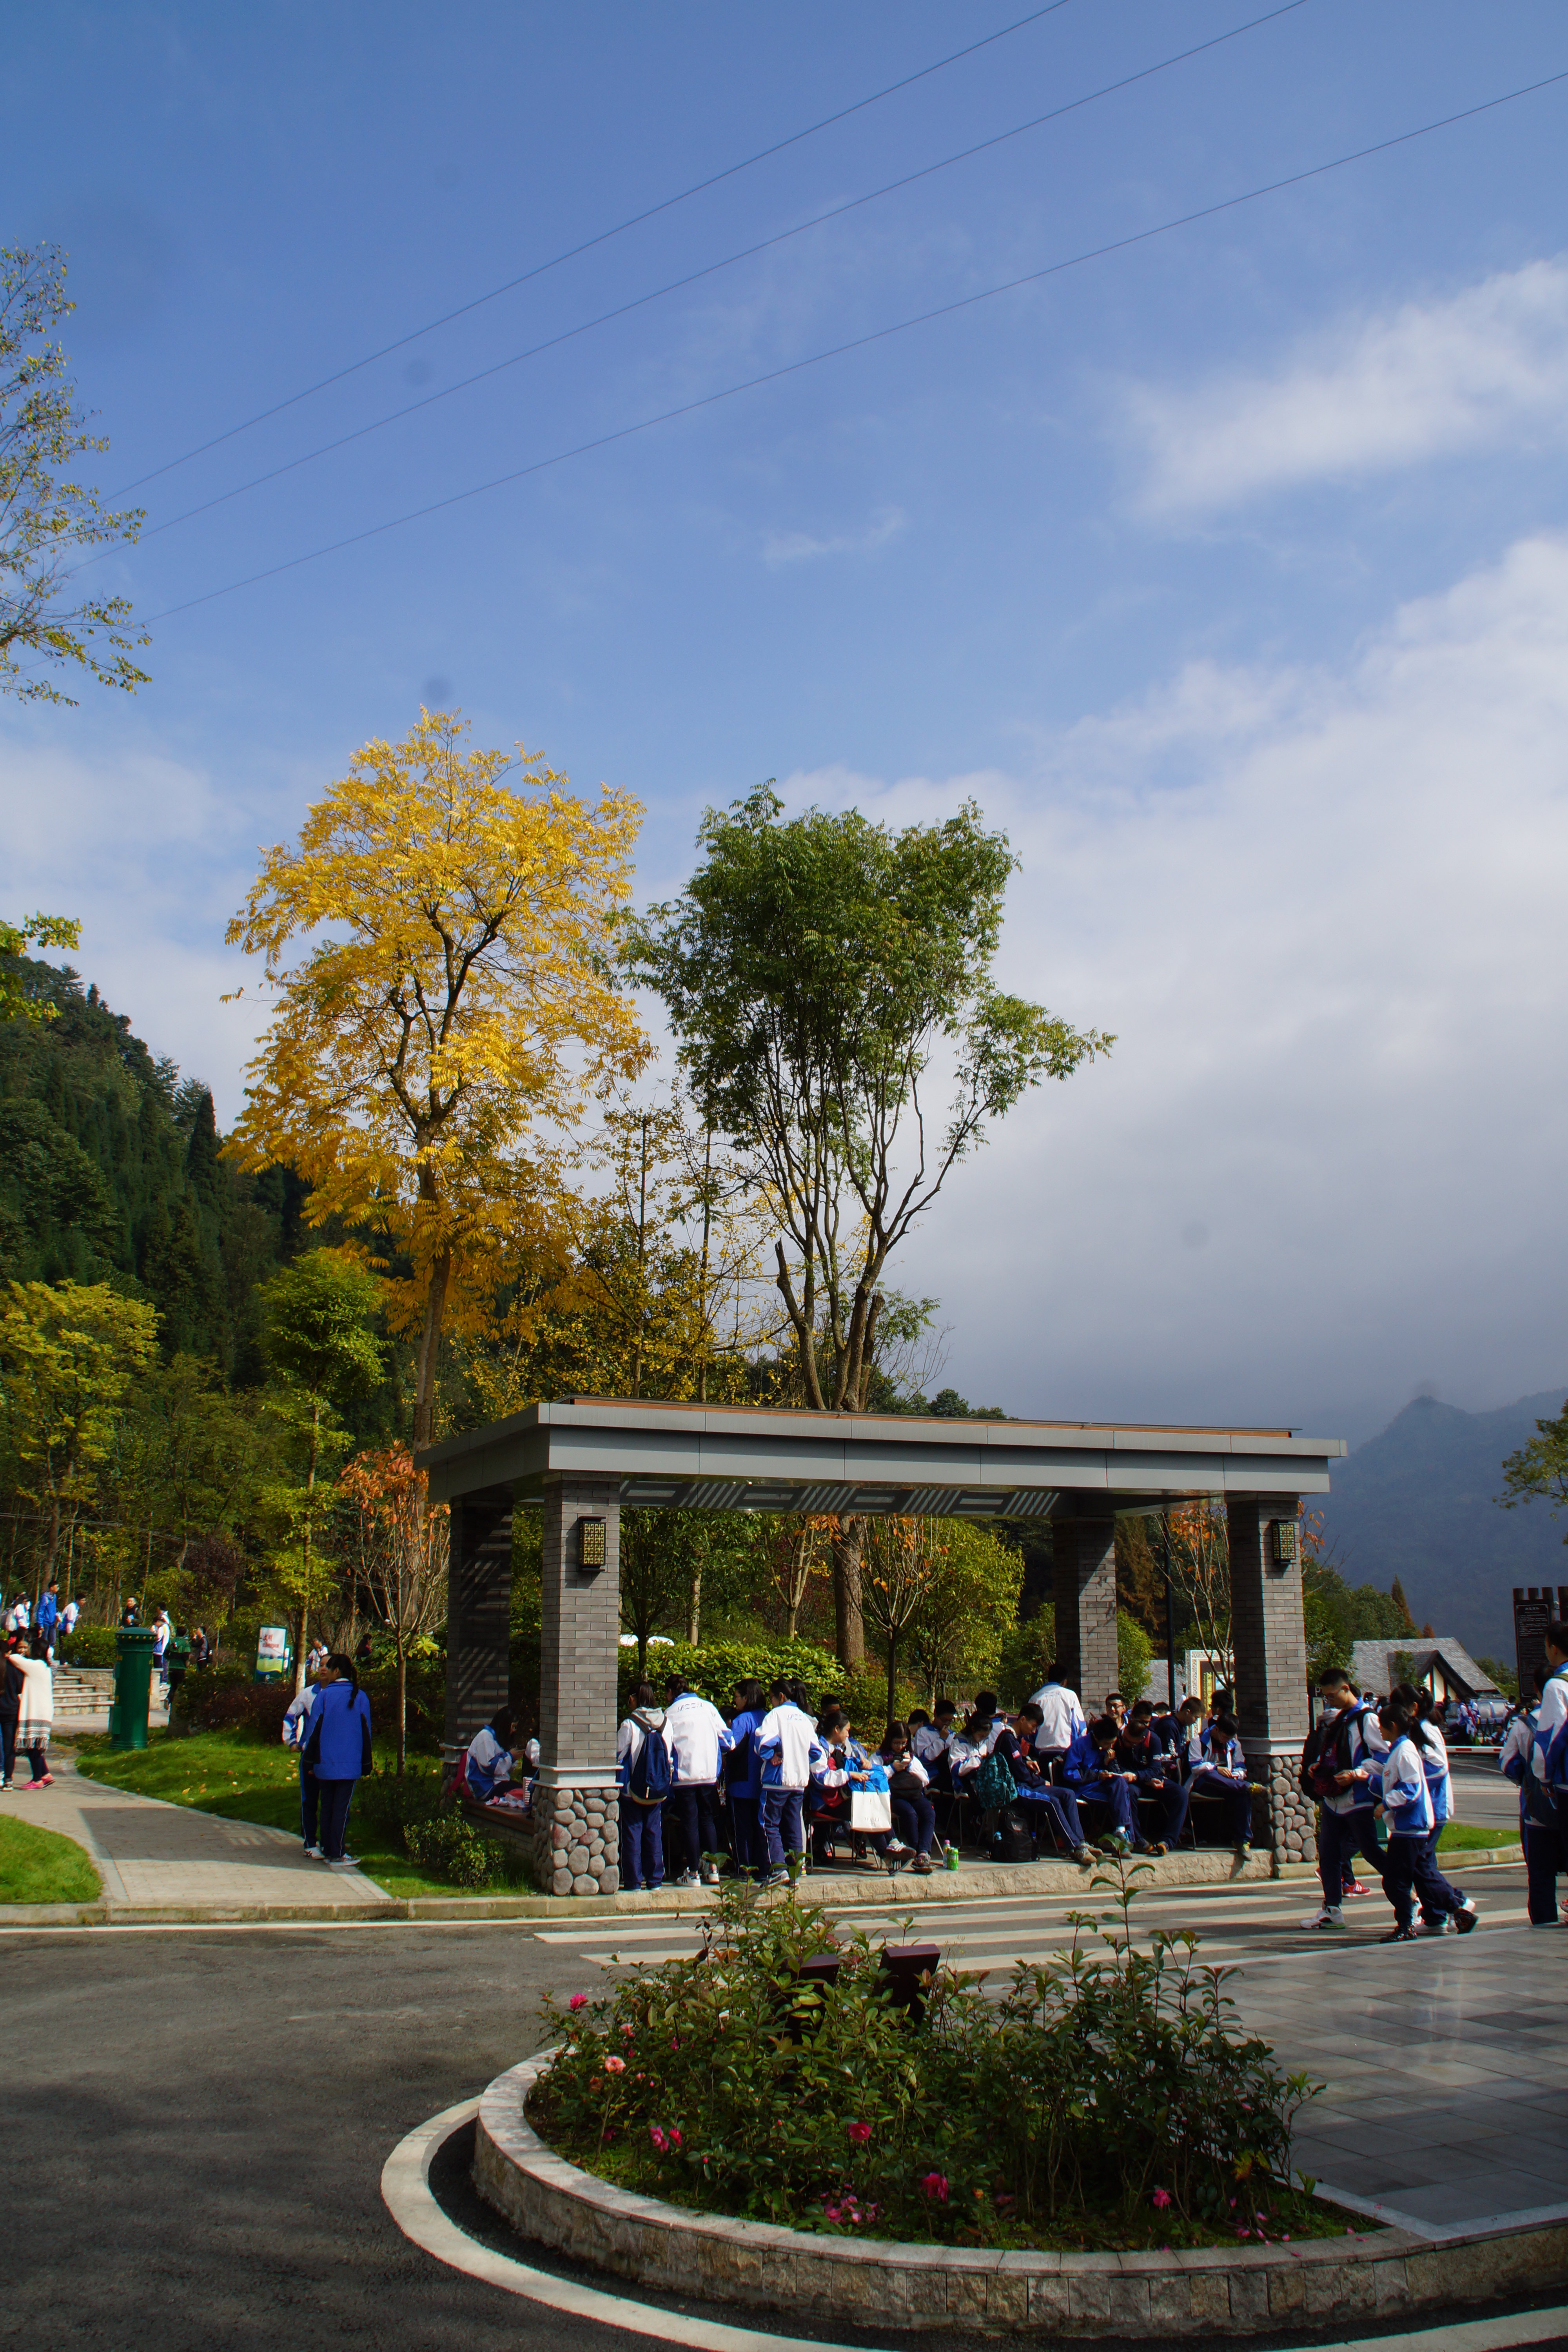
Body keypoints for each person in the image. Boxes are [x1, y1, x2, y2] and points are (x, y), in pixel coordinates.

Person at [1372, 1697, 1477, 1943]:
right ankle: (1458, 1911)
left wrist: (1385, 1805)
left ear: (1393, 1726)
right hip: (1410, 1828)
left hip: (1410, 1828)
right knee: (1423, 1876)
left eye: (1381, 1724)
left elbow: (1411, 1789)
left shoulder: (1405, 1751)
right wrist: (1365, 1778)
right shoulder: (1400, 1750)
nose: (1378, 1729)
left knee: (1395, 1882)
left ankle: (1406, 1925)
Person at [1300, 1667, 1390, 1932]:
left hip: (1358, 1799)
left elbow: (1384, 1758)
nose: (1329, 1701)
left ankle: (1408, 1890)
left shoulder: (1367, 1720)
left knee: (1372, 1851)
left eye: (1332, 1696)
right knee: (1328, 1855)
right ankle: (1332, 1909)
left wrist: (1357, 1774)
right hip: (1334, 1799)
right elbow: (1332, 1753)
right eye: (1326, 1697)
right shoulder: (1339, 1720)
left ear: (1346, 1689)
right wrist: (1318, 1766)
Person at [1502, 1670, 1564, 1929]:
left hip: (1536, 1813)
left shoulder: (1523, 1725)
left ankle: (1544, 1923)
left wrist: (1527, 1780)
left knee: (1540, 1875)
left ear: (1538, 1689)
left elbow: (1507, 1762)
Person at [298, 1653, 372, 1867]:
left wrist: (310, 1762)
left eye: (328, 1669)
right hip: (350, 1766)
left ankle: (329, 1849)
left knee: (327, 1806)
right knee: (341, 1808)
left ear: (336, 1672)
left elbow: (313, 1731)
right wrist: (366, 1764)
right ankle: (337, 1852)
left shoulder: (323, 1696)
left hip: (324, 1764)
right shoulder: (361, 1697)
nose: (326, 1673)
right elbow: (367, 1733)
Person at [1000, 1701, 1096, 1862]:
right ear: (1022, 1720)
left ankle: (1082, 1842)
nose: (1034, 1731)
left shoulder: (1015, 1739)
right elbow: (1020, 1773)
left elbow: (1017, 1762)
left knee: (1068, 1794)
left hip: (1028, 1784)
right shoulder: (1008, 1738)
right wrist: (1041, 1781)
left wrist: (1026, 1761)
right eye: (1033, 1726)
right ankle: (1075, 1848)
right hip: (1018, 1789)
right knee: (1052, 1802)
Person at [754, 1678, 827, 1887]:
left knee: (770, 1824)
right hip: (799, 1782)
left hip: (777, 1781)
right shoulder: (804, 1719)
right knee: (795, 1825)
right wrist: (798, 1758)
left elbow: (762, 1744)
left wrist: (774, 1755)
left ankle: (778, 1869)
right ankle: (796, 1871)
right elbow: (816, 1752)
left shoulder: (774, 1716)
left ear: (781, 1697)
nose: (771, 1702)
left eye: (772, 1698)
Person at [663, 1676, 734, 1889]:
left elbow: (666, 1747)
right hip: (708, 1775)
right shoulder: (708, 1707)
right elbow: (728, 1740)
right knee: (707, 1820)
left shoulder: (671, 1713)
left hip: (684, 1776)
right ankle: (713, 1870)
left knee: (690, 1823)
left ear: (671, 1692)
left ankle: (693, 1872)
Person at [1064, 1713, 1159, 1852]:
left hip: (1104, 1786)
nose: (1110, 1746)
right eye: (1106, 1744)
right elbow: (1069, 1773)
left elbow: (1116, 1771)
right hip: (1085, 1789)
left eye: (1113, 1743)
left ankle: (1121, 1831)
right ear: (1096, 1738)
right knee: (1122, 1798)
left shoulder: (1110, 1747)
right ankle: (1129, 1838)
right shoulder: (1080, 1746)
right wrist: (1096, 1776)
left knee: (1121, 1783)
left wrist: (1108, 1763)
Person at [617, 1683, 672, 1891]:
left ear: (634, 1698)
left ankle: (633, 1881)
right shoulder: (667, 1723)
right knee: (654, 1832)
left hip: (633, 1789)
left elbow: (618, 1753)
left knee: (632, 1832)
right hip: (658, 1788)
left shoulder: (629, 1724)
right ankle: (655, 1880)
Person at [1119, 1698, 1191, 1850]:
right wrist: (1142, 1780)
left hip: (1150, 1780)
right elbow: (1120, 1770)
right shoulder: (1118, 1740)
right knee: (1128, 1792)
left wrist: (1139, 1777)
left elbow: (1155, 1769)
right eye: (1128, 1741)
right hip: (1134, 1784)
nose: (1130, 1745)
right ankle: (1137, 1839)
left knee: (1181, 1794)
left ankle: (1168, 1841)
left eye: (1134, 1744)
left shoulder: (1154, 1739)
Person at [1187, 1712, 1257, 1855]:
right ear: (1217, 1729)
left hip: (1229, 1784)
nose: (1226, 1741)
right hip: (1204, 1784)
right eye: (1225, 1737)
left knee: (1242, 1796)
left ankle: (1243, 1840)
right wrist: (1216, 1768)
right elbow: (1195, 1767)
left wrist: (1236, 1775)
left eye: (1230, 1738)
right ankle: (1246, 1786)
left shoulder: (1234, 1743)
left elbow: (1241, 1767)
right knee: (1210, 1773)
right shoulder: (1199, 1741)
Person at [282, 1652, 325, 1854]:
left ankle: (329, 1842)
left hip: (332, 1758)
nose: (323, 1669)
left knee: (330, 1801)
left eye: (328, 1666)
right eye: (321, 1665)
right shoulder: (309, 1694)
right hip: (310, 1757)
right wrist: (292, 1741)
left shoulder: (344, 1696)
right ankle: (309, 1841)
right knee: (309, 1800)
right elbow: (291, 1716)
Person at [724, 1680, 768, 1878]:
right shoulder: (767, 1718)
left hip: (741, 1784)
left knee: (742, 1831)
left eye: (737, 1697)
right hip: (763, 1784)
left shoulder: (743, 1720)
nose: (735, 1701)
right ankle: (763, 1869)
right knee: (761, 1829)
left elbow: (729, 1747)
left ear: (746, 1698)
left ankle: (744, 1869)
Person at [880, 1724, 937, 1871]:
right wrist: (892, 1769)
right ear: (889, 1741)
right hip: (895, 1797)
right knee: (909, 1813)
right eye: (896, 1743)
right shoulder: (880, 1757)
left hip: (914, 1794)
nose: (900, 1747)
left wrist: (910, 1765)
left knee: (929, 1812)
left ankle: (923, 1852)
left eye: (903, 1743)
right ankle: (917, 1852)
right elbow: (874, 1777)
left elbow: (925, 1780)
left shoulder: (911, 1757)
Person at [11, 1633, 55, 1788]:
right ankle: (45, 1774)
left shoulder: (35, 1666)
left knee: (32, 1746)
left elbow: (15, 1659)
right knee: (35, 1745)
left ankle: (37, 1780)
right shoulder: (45, 1667)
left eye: (29, 1648)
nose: (27, 1650)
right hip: (43, 1711)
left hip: (35, 1711)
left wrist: (15, 1651)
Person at [1027, 1662, 1087, 1772]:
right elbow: (1081, 1728)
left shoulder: (1036, 1698)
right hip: (1067, 1753)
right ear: (1064, 1681)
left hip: (1043, 1754)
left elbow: (1028, 1732)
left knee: (1048, 1787)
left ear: (1048, 1678)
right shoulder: (1070, 1696)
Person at [466, 1708, 516, 1803]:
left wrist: (512, 1759)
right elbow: (489, 1767)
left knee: (523, 1791)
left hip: (495, 1783)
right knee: (520, 1792)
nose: (514, 1731)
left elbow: (503, 1768)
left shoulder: (497, 1738)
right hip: (484, 1788)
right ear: (505, 1725)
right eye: (513, 1727)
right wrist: (510, 1756)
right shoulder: (486, 1737)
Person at [0, 1632, 23, 1789]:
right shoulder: (14, 1669)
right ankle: (8, 1778)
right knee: (9, 1746)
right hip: (11, 1710)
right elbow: (20, 1689)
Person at [36, 1582, 60, 1655]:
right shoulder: (45, 1598)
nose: (58, 1589)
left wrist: (56, 1616)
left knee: (53, 1641)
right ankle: (42, 1655)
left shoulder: (54, 1597)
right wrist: (41, 1624)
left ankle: (49, 1655)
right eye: (57, 1587)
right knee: (44, 1640)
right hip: (45, 1622)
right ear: (51, 1588)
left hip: (52, 1622)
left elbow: (54, 1609)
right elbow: (41, 1611)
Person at [152, 1608, 172, 1684]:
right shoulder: (166, 1626)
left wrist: (154, 1632)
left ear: (157, 1622)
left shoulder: (162, 1628)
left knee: (160, 1665)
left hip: (160, 1649)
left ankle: (162, 1680)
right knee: (163, 1665)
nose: (155, 1626)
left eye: (155, 1624)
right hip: (164, 1648)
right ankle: (164, 1680)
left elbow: (158, 1638)